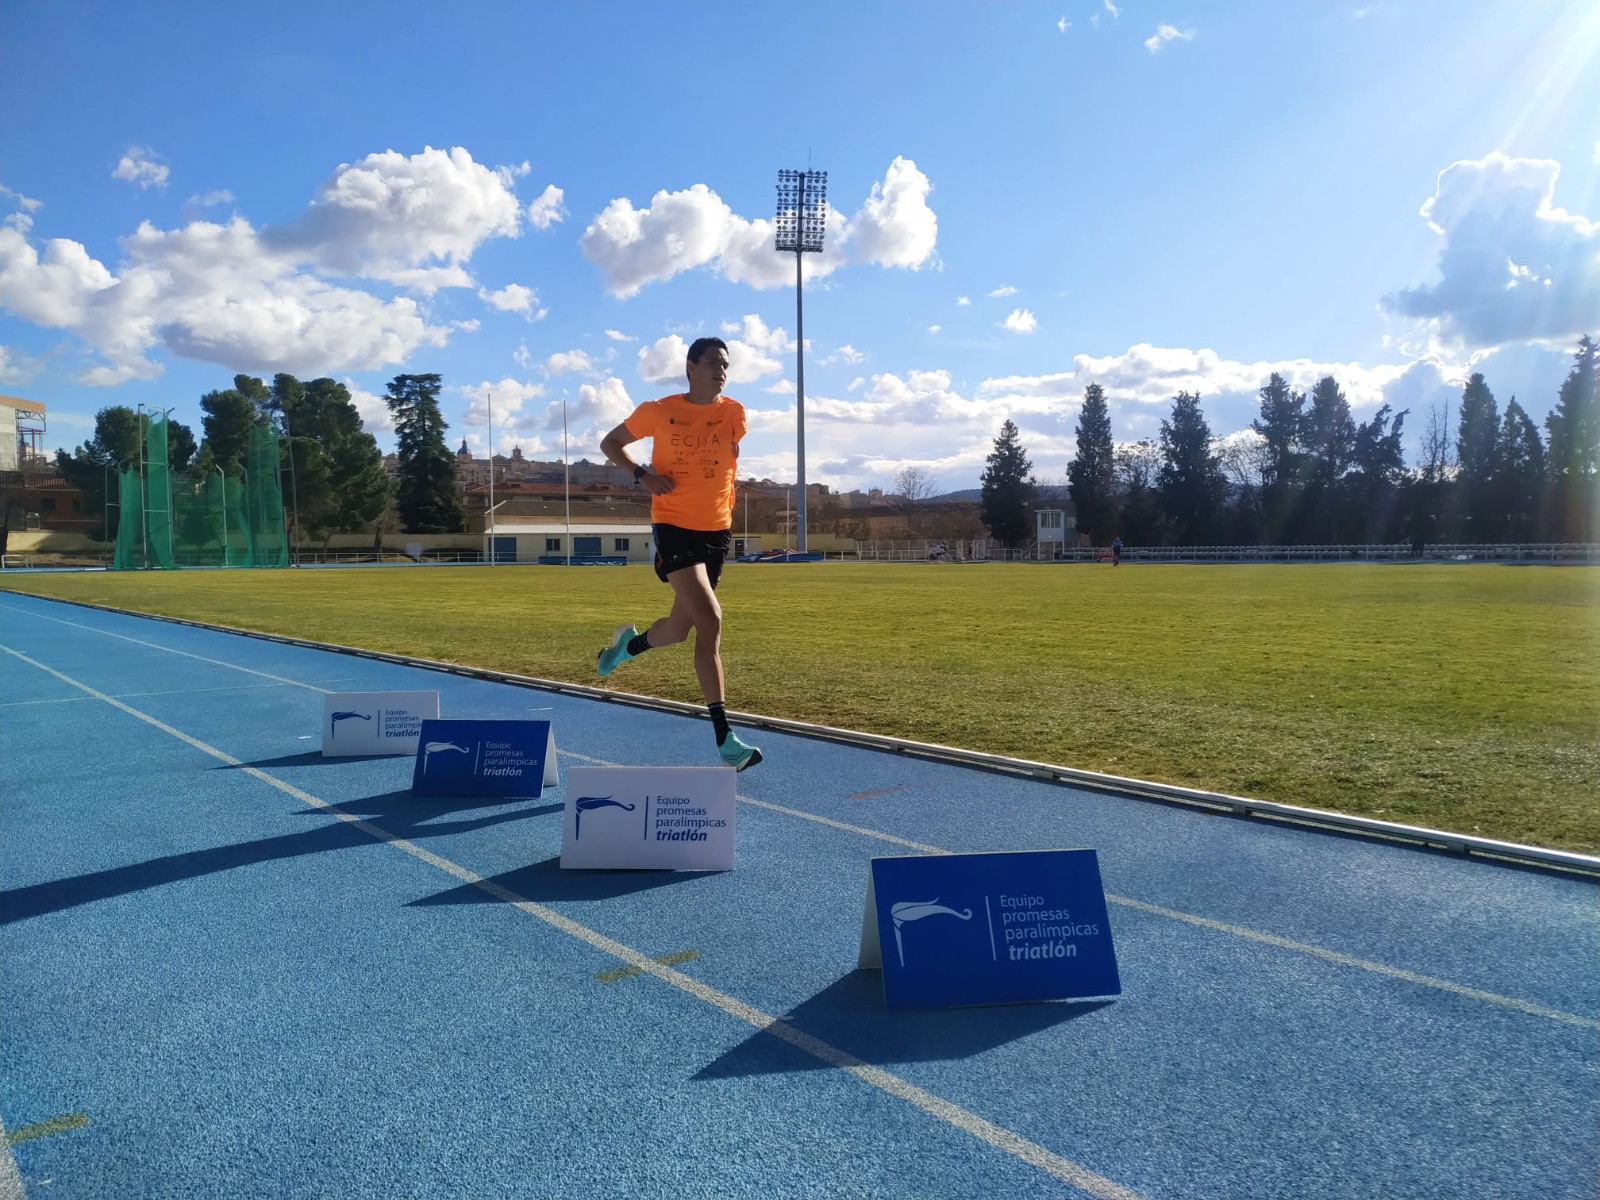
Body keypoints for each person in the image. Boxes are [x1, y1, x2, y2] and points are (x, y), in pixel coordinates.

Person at [594, 337, 762, 771]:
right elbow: (610, 442)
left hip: (716, 532)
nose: (721, 371)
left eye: (725, 365)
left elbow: (730, 459)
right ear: (691, 367)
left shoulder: (735, 414)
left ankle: (626, 647)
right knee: (711, 619)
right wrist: (642, 475)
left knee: (679, 629)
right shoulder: (658, 411)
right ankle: (725, 739)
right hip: (673, 525)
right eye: (713, 363)